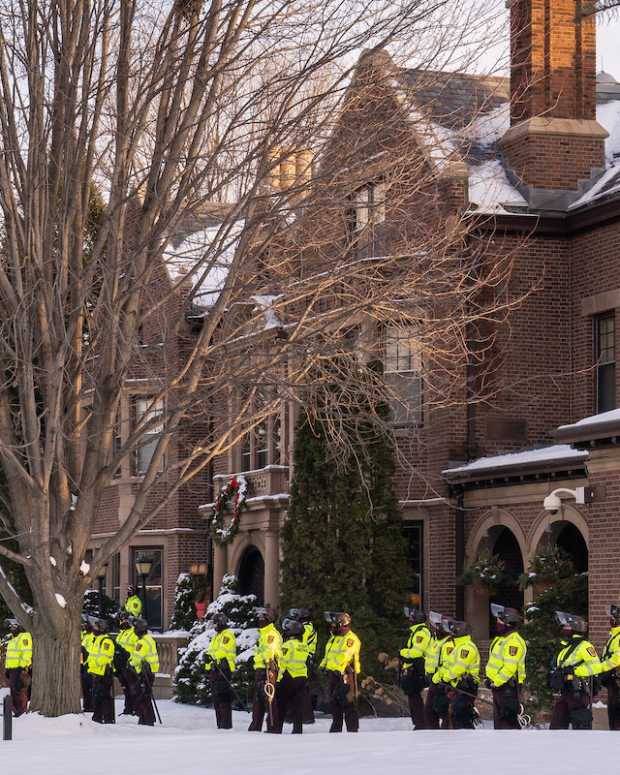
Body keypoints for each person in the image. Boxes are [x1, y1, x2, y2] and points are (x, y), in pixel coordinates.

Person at [548, 611, 601, 730]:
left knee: (580, 729)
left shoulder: (585, 646)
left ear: (574, 628)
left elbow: (596, 667)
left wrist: (575, 671)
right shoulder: (565, 647)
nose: (563, 628)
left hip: (578, 691)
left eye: (566, 626)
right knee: (556, 727)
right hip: (565, 691)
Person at [485, 603, 526, 730]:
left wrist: (496, 682)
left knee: (508, 725)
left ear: (508, 623)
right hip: (500, 686)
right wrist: (490, 679)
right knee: (499, 724)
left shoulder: (513, 641)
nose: (497, 624)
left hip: (507, 688)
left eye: (499, 622)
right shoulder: (502, 639)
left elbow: (509, 668)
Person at [433, 619, 480, 729]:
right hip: (457, 686)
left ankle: (468, 736)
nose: (451, 633)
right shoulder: (458, 646)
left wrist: (445, 678)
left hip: (467, 687)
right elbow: (448, 665)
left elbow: (459, 668)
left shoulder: (466, 647)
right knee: (452, 713)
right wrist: (438, 677)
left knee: (461, 716)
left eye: (454, 630)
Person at [320, 611, 361, 733]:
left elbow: (345, 656)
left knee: (348, 702)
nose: (332, 627)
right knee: (334, 702)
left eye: (334, 625)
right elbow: (328, 655)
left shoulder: (351, 639)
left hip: (346, 675)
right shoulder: (334, 638)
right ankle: (336, 729)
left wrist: (338, 669)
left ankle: (352, 730)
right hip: (333, 674)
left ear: (342, 624)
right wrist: (323, 666)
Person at [248, 607, 282, 732]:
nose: (259, 621)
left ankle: (273, 727)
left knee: (269, 699)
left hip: (268, 669)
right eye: (259, 619)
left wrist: (264, 661)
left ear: (268, 620)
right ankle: (255, 726)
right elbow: (260, 652)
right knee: (258, 700)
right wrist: (254, 660)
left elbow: (271, 651)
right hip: (260, 669)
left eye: (262, 619)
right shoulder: (263, 635)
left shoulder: (272, 634)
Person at [274, 617, 310, 734]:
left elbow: (282, 663)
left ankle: (277, 729)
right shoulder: (304, 646)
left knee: (281, 705)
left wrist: (278, 679)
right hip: (301, 678)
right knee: (297, 706)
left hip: (288, 678)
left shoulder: (287, 645)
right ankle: (297, 730)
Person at [399, 606, 432, 730]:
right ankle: (418, 723)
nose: (409, 621)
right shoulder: (415, 632)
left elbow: (416, 652)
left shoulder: (421, 633)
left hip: (416, 670)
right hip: (412, 669)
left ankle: (421, 724)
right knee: (412, 697)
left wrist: (402, 652)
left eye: (411, 619)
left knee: (415, 698)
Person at [205, 612, 237, 729]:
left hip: (224, 669)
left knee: (223, 698)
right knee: (216, 699)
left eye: (216, 624)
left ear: (221, 623)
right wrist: (207, 666)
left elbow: (223, 651)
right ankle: (220, 725)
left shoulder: (227, 635)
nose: (214, 626)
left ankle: (226, 725)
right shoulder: (216, 636)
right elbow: (211, 651)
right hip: (215, 671)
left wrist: (211, 657)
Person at [286, 607, 317, 723]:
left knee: (301, 689)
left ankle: (305, 716)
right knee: (297, 688)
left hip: (304, 658)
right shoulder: (306, 626)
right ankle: (296, 715)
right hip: (302, 657)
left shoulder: (307, 628)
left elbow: (299, 640)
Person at [424, 613, 454, 729]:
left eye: (439, 626)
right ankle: (433, 734)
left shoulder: (449, 643)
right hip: (433, 681)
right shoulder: (437, 641)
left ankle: (445, 734)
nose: (436, 629)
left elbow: (448, 664)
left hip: (442, 683)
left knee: (444, 712)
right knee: (429, 711)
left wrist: (440, 678)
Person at [129, 618, 160, 726]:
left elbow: (137, 657)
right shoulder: (149, 639)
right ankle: (145, 718)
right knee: (145, 695)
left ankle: (147, 719)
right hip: (149, 671)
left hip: (145, 672)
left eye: (135, 628)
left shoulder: (142, 642)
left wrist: (131, 663)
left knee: (143, 696)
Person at [88, 618, 116, 724]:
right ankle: (98, 716)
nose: (94, 629)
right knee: (97, 696)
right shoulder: (97, 640)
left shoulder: (106, 641)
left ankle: (107, 718)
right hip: (97, 673)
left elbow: (105, 657)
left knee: (104, 696)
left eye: (96, 627)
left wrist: (94, 664)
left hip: (104, 673)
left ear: (102, 628)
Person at [3, 619, 32, 717]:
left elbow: (27, 652)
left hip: (19, 668)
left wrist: (22, 666)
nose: (12, 629)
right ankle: (16, 711)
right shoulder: (12, 639)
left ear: (19, 627)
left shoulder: (24, 636)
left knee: (19, 689)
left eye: (14, 627)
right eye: (11, 627)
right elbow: (10, 655)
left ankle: (21, 710)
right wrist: (7, 668)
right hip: (12, 669)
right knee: (13, 690)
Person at [600, 604, 620, 730]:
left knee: (616, 710)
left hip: (617, 678)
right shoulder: (613, 636)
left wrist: (602, 667)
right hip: (612, 680)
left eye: (612, 618)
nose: (610, 620)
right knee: (612, 709)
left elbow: (617, 658)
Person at [115, 613, 138, 715]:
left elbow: (137, 649)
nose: (123, 622)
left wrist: (131, 661)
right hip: (120, 665)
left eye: (125, 620)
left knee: (132, 688)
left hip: (129, 665)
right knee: (125, 688)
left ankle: (134, 709)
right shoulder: (120, 634)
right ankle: (128, 708)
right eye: (121, 620)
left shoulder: (134, 633)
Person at [80, 615, 96, 712]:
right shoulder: (85, 636)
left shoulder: (92, 636)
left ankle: (92, 705)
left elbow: (90, 650)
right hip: (83, 663)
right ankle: (87, 705)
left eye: (86, 625)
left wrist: (84, 650)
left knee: (90, 686)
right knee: (85, 686)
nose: (84, 626)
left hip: (90, 664)